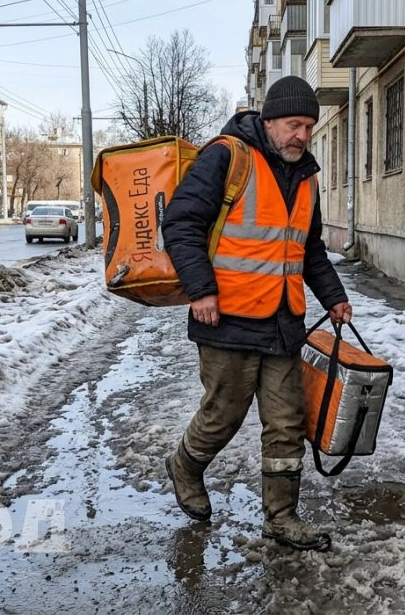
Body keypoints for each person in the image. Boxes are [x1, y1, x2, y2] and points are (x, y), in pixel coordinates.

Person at [162, 75, 353, 552]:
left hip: (284, 320)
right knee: (224, 414)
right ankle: (185, 465)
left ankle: (281, 517)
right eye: (294, 124)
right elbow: (181, 223)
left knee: (287, 422)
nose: (302, 136)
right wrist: (201, 290)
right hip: (226, 317)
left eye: (309, 126)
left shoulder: (306, 176)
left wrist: (333, 296)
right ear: (269, 121)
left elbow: (309, 249)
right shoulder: (227, 156)